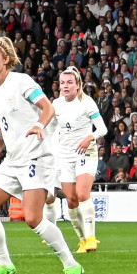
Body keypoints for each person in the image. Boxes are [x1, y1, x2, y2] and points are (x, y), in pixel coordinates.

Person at [0, 37, 84, 274]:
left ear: (7, 59)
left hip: (37, 156)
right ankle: (3, 264)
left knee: (33, 218)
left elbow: (48, 108)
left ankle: (72, 265)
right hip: (13, 159)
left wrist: (38, 125)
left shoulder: (21, 81)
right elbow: (5, 128)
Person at [51, 66, 107, 253]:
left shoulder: (87, 102)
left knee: (83, 194)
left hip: (86, 152)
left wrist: (89, 137)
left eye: (69, 83)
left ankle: (91, 238)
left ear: (78, 85)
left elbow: (102, 129)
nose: (65, 86)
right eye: (62, 83)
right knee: (71, 200)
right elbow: (50, 130)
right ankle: (83, 240)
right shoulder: (56, 105)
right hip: (65, 156)